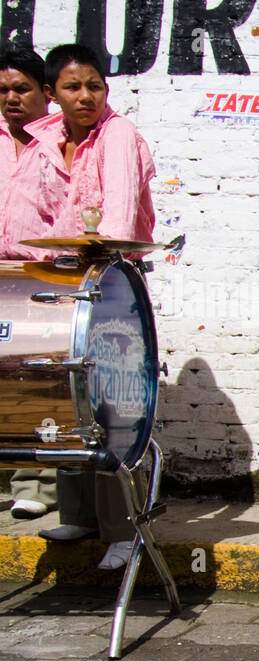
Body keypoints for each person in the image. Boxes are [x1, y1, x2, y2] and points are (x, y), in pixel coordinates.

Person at [26, 44, 156, 571]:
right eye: (72, 87)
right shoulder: (44, 143)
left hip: (111, 284)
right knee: (67, 393)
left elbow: (120, 219)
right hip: (59, 282)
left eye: (95, 86)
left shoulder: (119, 135)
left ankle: (122, 530)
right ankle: (78, 514)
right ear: (52, 94)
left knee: (113, 403)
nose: (86, 97)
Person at [0, 47, 65, 519]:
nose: (11, 99)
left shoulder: (61, 143)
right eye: (3, 90)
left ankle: (38, 484)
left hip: (41, 276)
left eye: (21, 89)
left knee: (39, 381)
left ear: (45, 92)